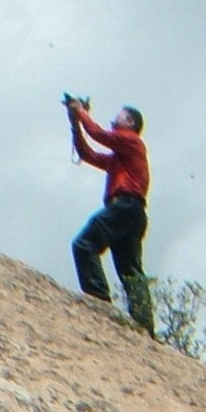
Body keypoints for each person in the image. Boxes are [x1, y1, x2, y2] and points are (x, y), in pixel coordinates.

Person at [63, 94, 154, 333]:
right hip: (133, 212)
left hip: (124, 207)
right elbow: (87, 154)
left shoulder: (131, 141)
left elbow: (99, 135)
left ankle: (99, 301)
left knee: (84, 244)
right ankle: (145, 325)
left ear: (131, 123)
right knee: (131, 272)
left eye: (120, 117)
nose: (115, 119)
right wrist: (76, 123)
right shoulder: (121, 157)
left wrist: (81, 113)